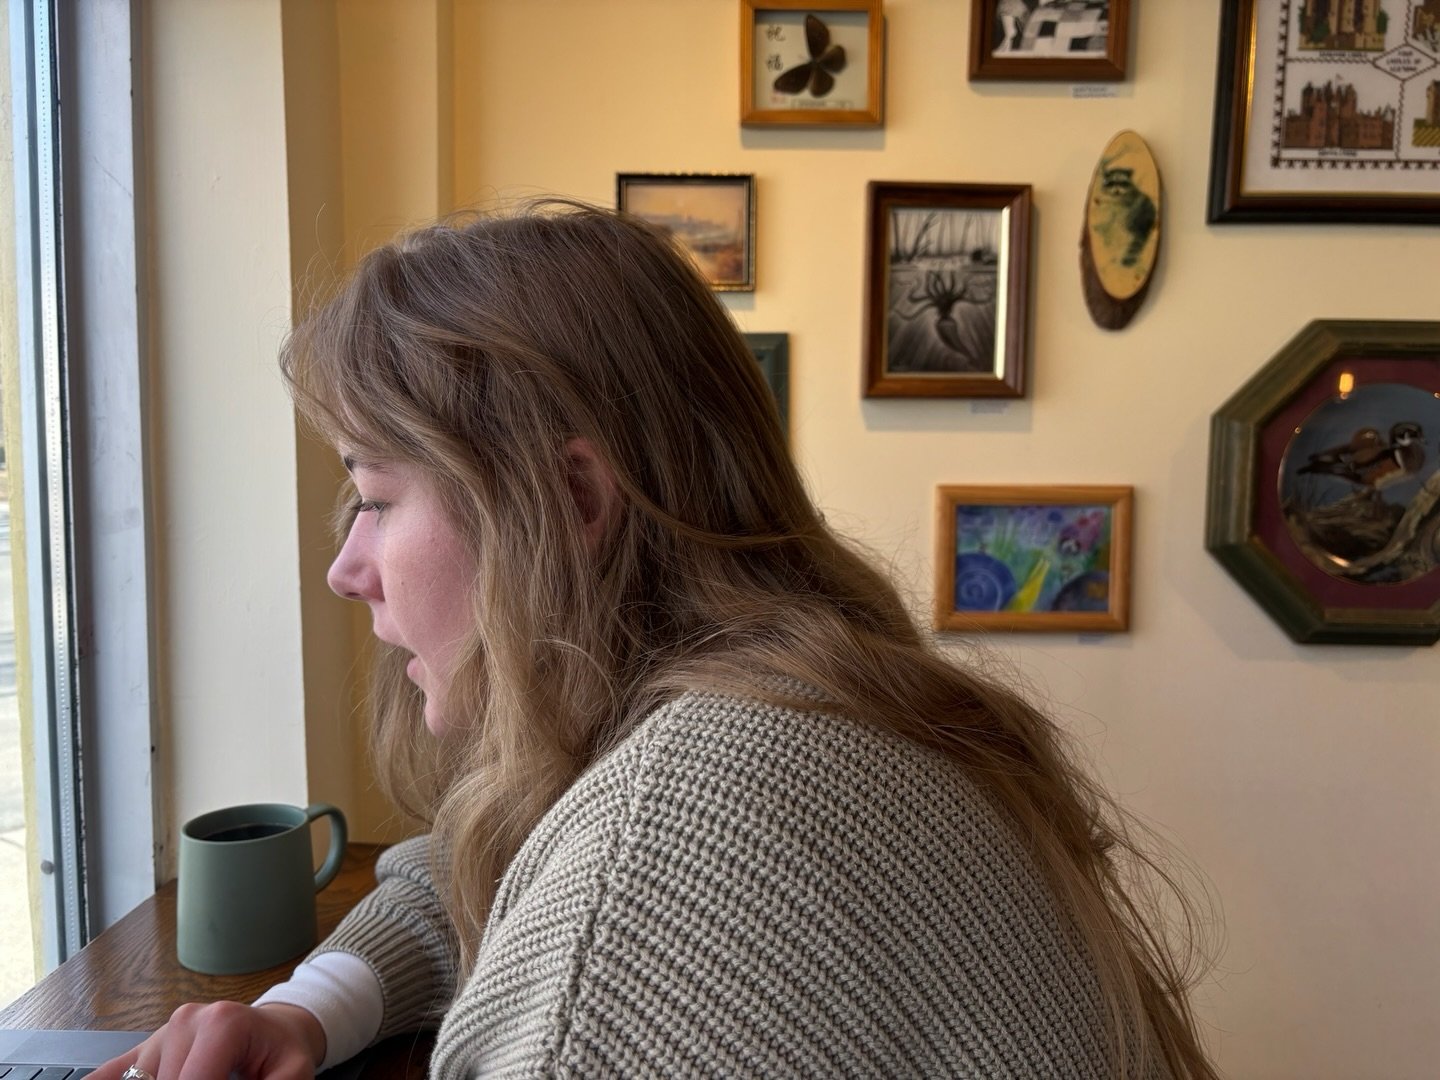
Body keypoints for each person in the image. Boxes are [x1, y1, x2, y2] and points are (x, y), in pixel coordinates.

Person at [97, 201, 1217, 1079]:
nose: (346, 570)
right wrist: (308, 1006)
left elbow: (596, 899)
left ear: (570, 501)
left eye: (378, 498)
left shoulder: (680, 843)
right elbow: (483, 863)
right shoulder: (793, 708)